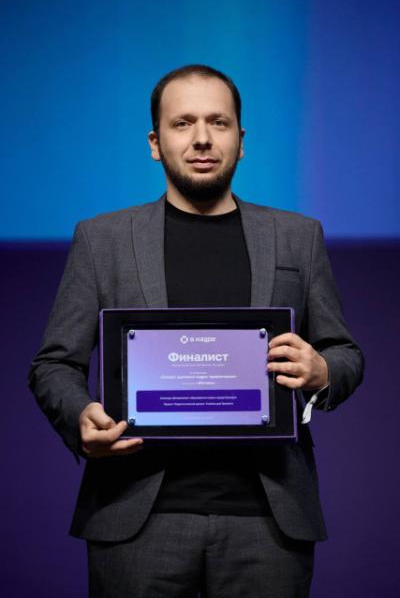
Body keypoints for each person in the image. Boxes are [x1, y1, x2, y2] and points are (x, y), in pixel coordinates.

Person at [29, 64, 364, 597]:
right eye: (183, 123)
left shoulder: (298, 237)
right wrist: (79, 416)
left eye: (218, 122)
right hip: (137, 518)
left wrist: (323, 370)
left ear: (241, 141)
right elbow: (54, 364)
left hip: (268, 522)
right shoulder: (101, 240)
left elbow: (343, 351)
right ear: (155, 143)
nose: (202, 138)